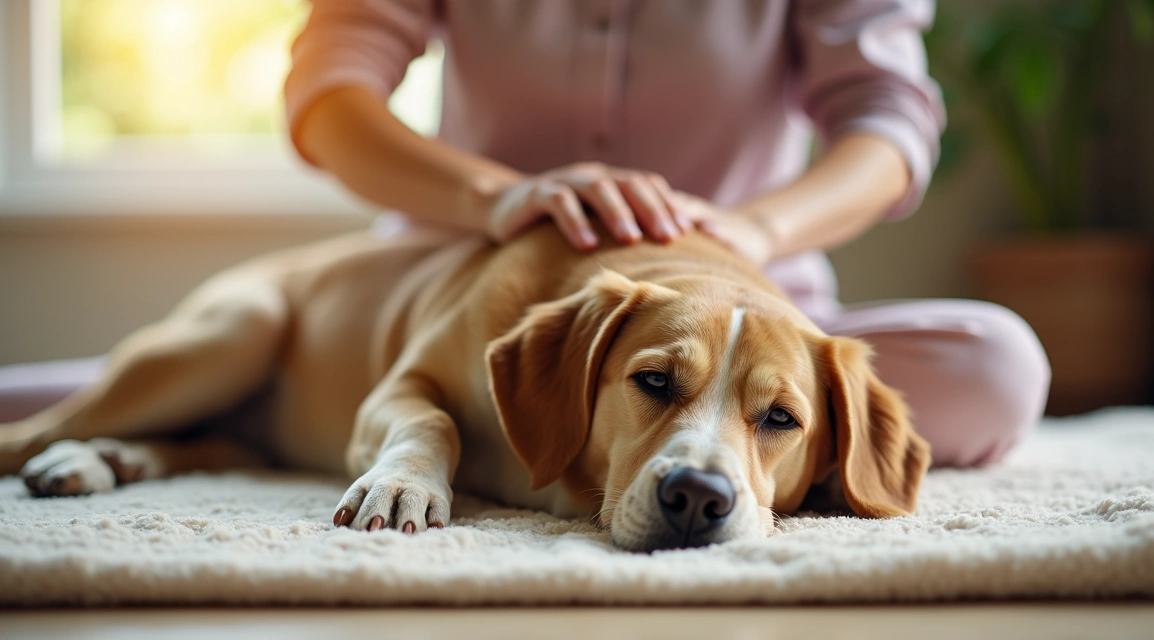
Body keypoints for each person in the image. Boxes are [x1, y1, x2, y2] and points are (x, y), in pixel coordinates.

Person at [0, 0, 1049, 469]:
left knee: (998, 362)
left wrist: (753, 226)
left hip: (749, 295)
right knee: (190, 368)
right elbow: (327, 96)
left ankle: (742, 428)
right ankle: (153, 397)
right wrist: (498, 198)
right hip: (468, 275)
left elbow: (889, 122)